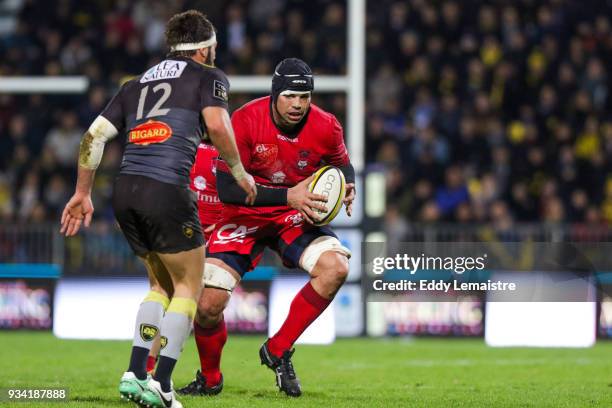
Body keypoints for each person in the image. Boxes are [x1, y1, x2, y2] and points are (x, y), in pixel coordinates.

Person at [59, 10, 256, 408]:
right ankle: (162, 383)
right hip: (166, 188)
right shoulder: (208, 77)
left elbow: (93, 137)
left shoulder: (134, 85)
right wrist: (238, 171)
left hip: (125, 190)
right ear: (204, 49)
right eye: (213, 48)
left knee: (159, 286)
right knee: (189, 285)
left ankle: (135, 372)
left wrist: (82, 193)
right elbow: (217, 125)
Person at [178, 58, 356, 398]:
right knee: (208, 304)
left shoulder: (327, 125)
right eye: (290, 96)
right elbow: (230, 189)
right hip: (245, 215)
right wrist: (288, 195)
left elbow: (343, 164)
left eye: (305, 97)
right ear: (275, 94)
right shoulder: (243, 121)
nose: (298, 104)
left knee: (336, 268)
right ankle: (210, 379)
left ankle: (278, 349)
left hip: (293, 214)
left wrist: (348, 185)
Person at [146, 141, 223, 374]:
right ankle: (148, 369)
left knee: (201, 304)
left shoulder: (231, 148)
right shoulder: (181, 145)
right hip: (183, 233)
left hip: (219, 237)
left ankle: (150, 370)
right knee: (171, 296)